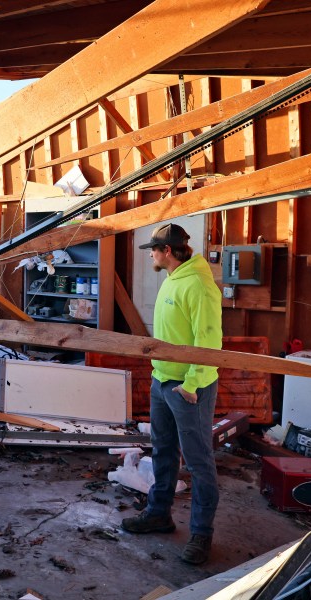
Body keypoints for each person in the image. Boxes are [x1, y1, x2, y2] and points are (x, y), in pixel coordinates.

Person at [120, 223, 223, 565]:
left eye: (153, 248)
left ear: (167, 251)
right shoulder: (172, 279)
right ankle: (159, 514)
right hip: (162, 381)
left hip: (187, 389)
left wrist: (191, 385)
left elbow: (208, 342)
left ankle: (201, 535)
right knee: (163, 452)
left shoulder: (197, 284)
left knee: (198, 461)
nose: (150, 253)